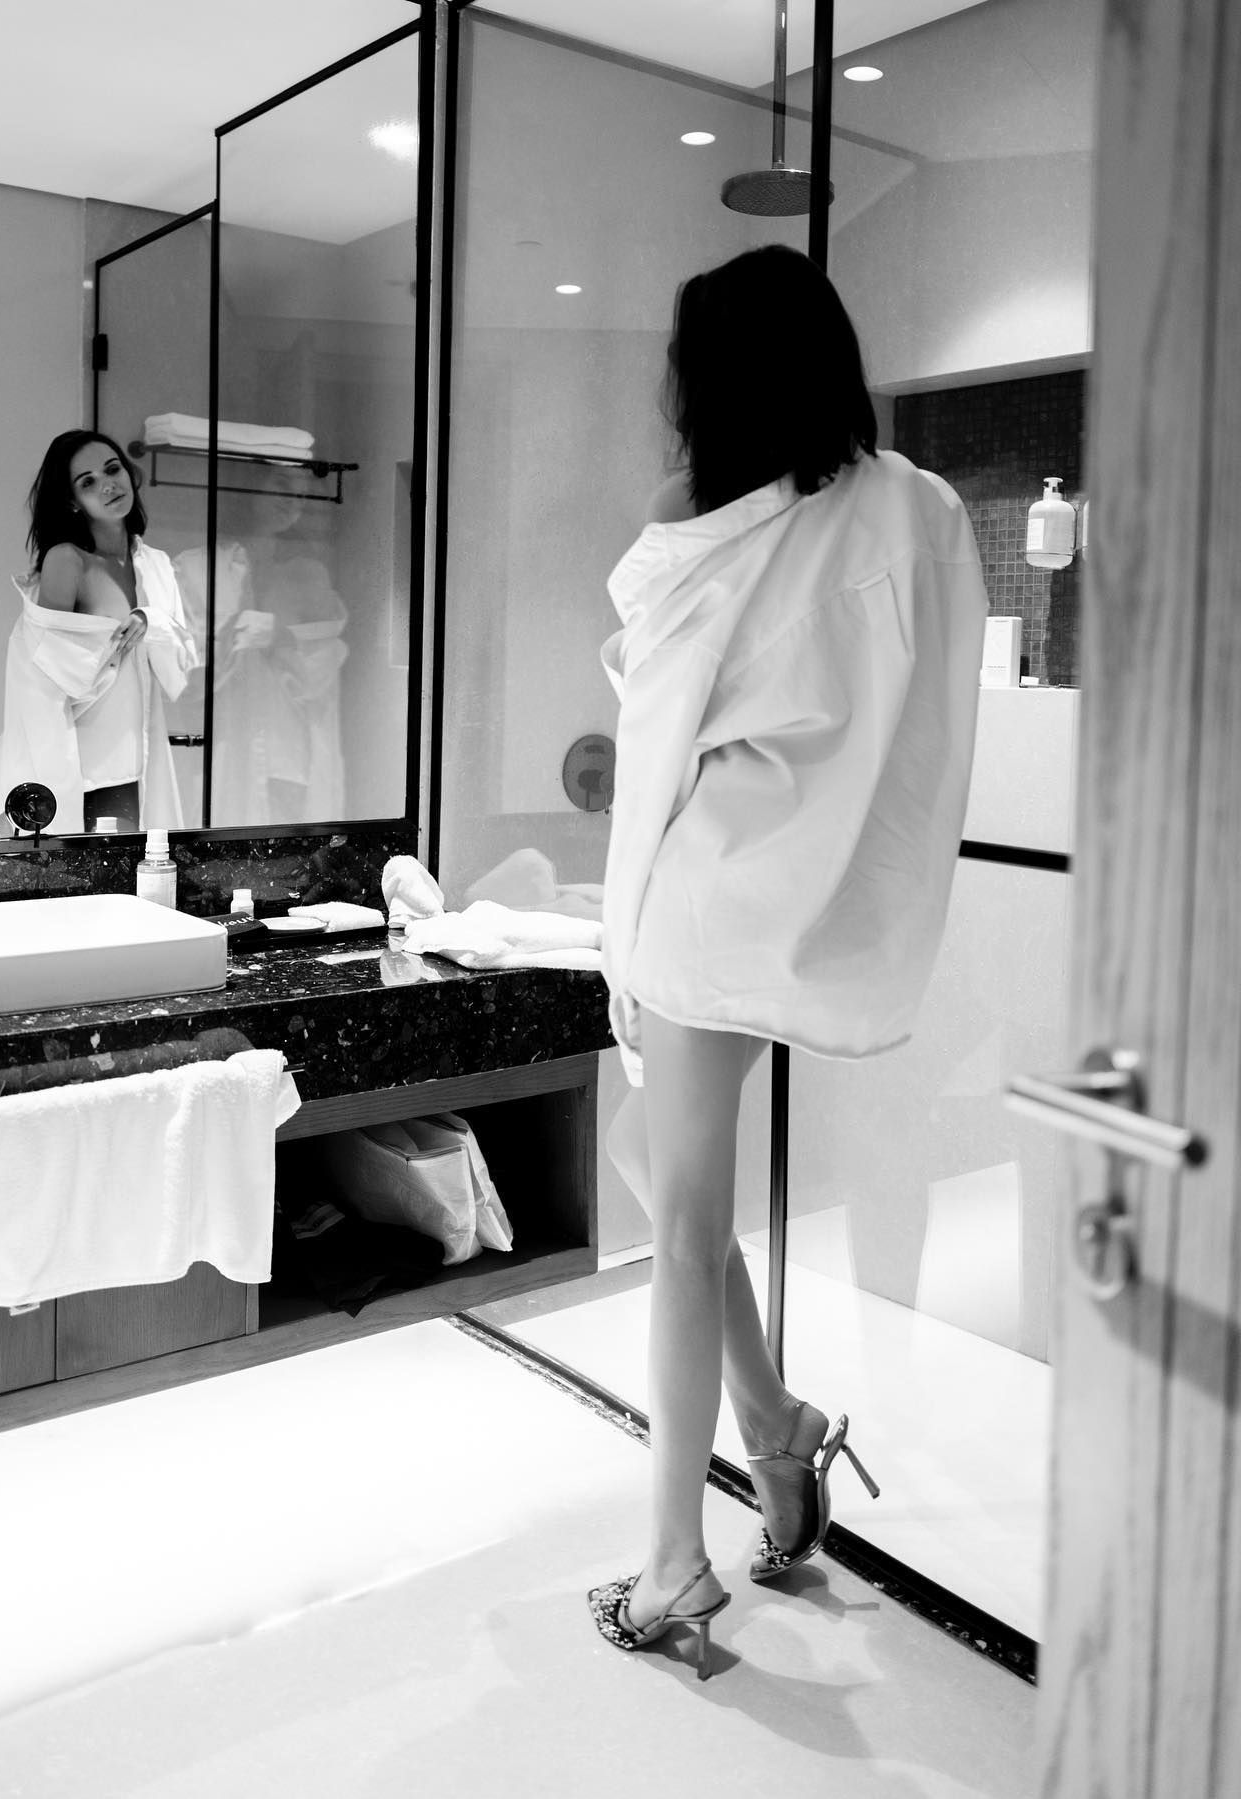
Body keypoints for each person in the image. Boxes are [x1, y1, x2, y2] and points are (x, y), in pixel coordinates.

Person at [587, 244, 988, 1678]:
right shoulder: (923, 507)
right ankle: (774, 1426)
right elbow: (929, 717)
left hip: (705, 894)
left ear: (715, 377)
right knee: (655, 1166)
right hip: (808, 895)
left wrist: (621, 943)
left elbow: (653, 753)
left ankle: (674, 1559)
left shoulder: (700, 511)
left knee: (684, 1223)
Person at [0, 431, 198, 834]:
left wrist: (150, 621)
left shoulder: (154, 564)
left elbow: (180, 664)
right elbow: (46, 673)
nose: (108, 485)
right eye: (88, 481)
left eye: (112, 469)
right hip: (80, 770)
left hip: (139, 762)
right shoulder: (67, 561)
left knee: (144, 867)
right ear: (72, 500)